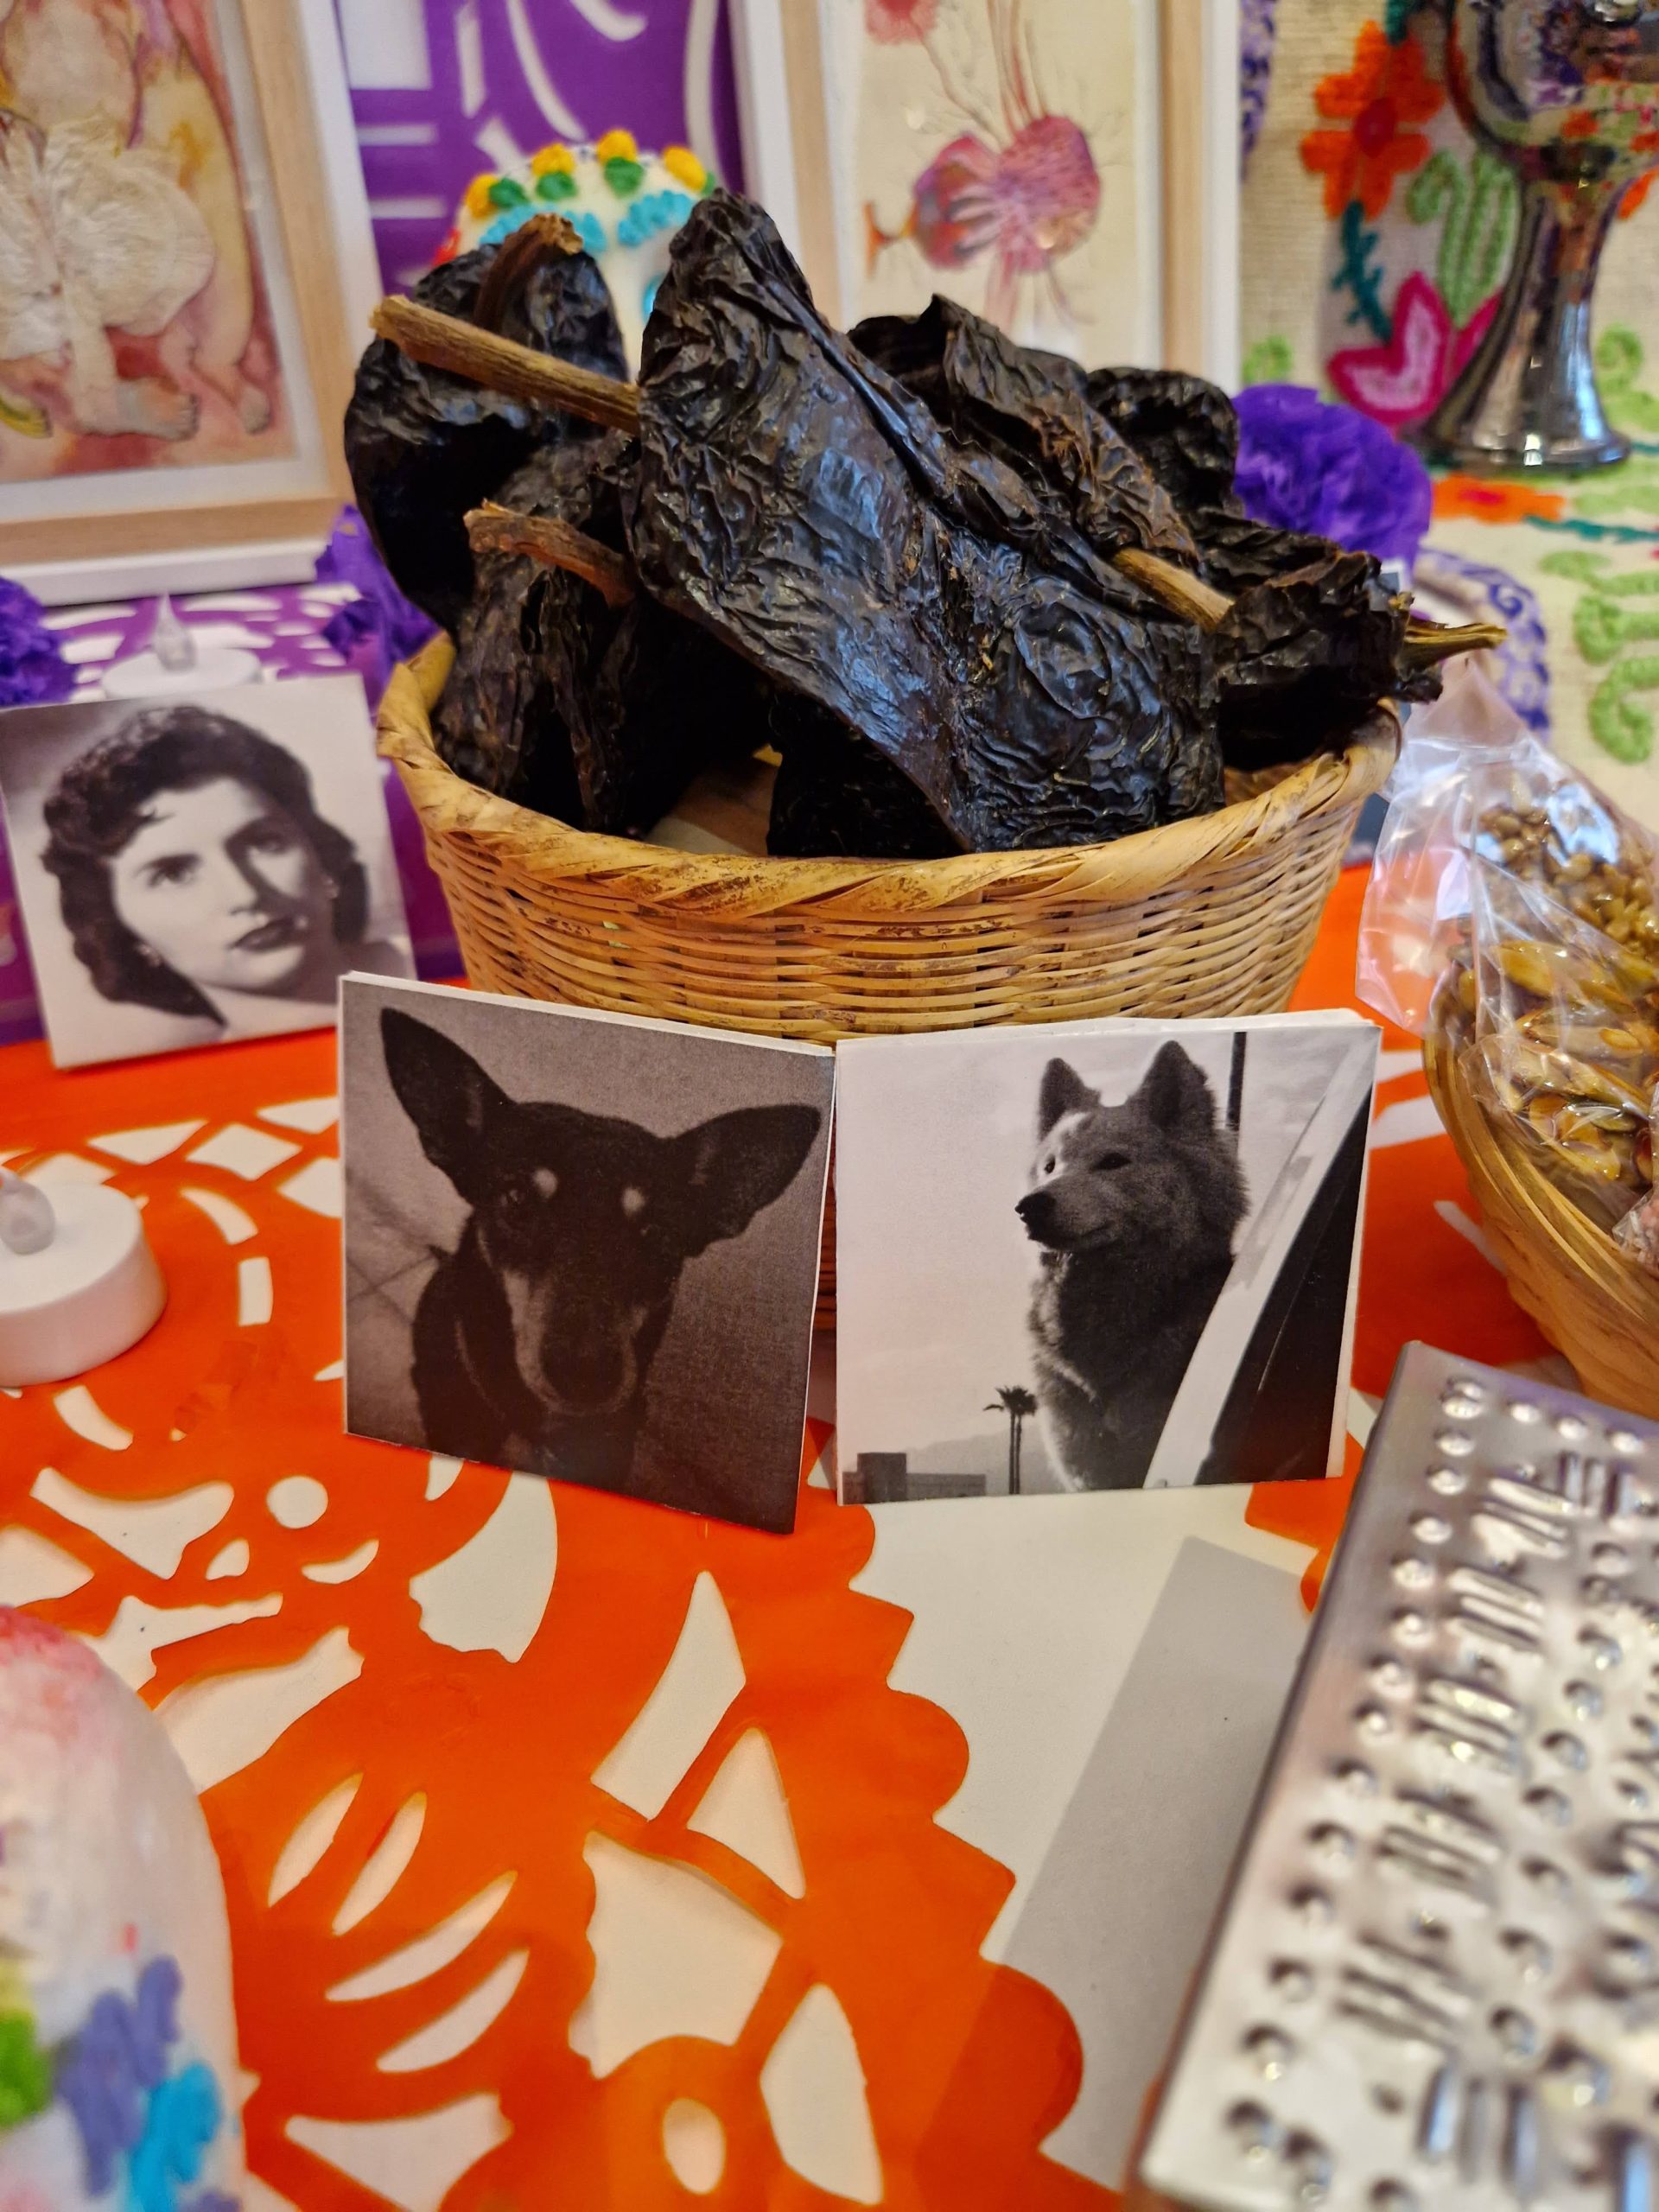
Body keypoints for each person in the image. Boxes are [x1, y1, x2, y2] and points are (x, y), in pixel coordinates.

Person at [41, 702, 406, 1044]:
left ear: (317, 851)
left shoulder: (429, 974)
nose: (245, 894)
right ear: (121, 928)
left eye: (264, 843)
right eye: (173, 875)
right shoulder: (196, 1078)